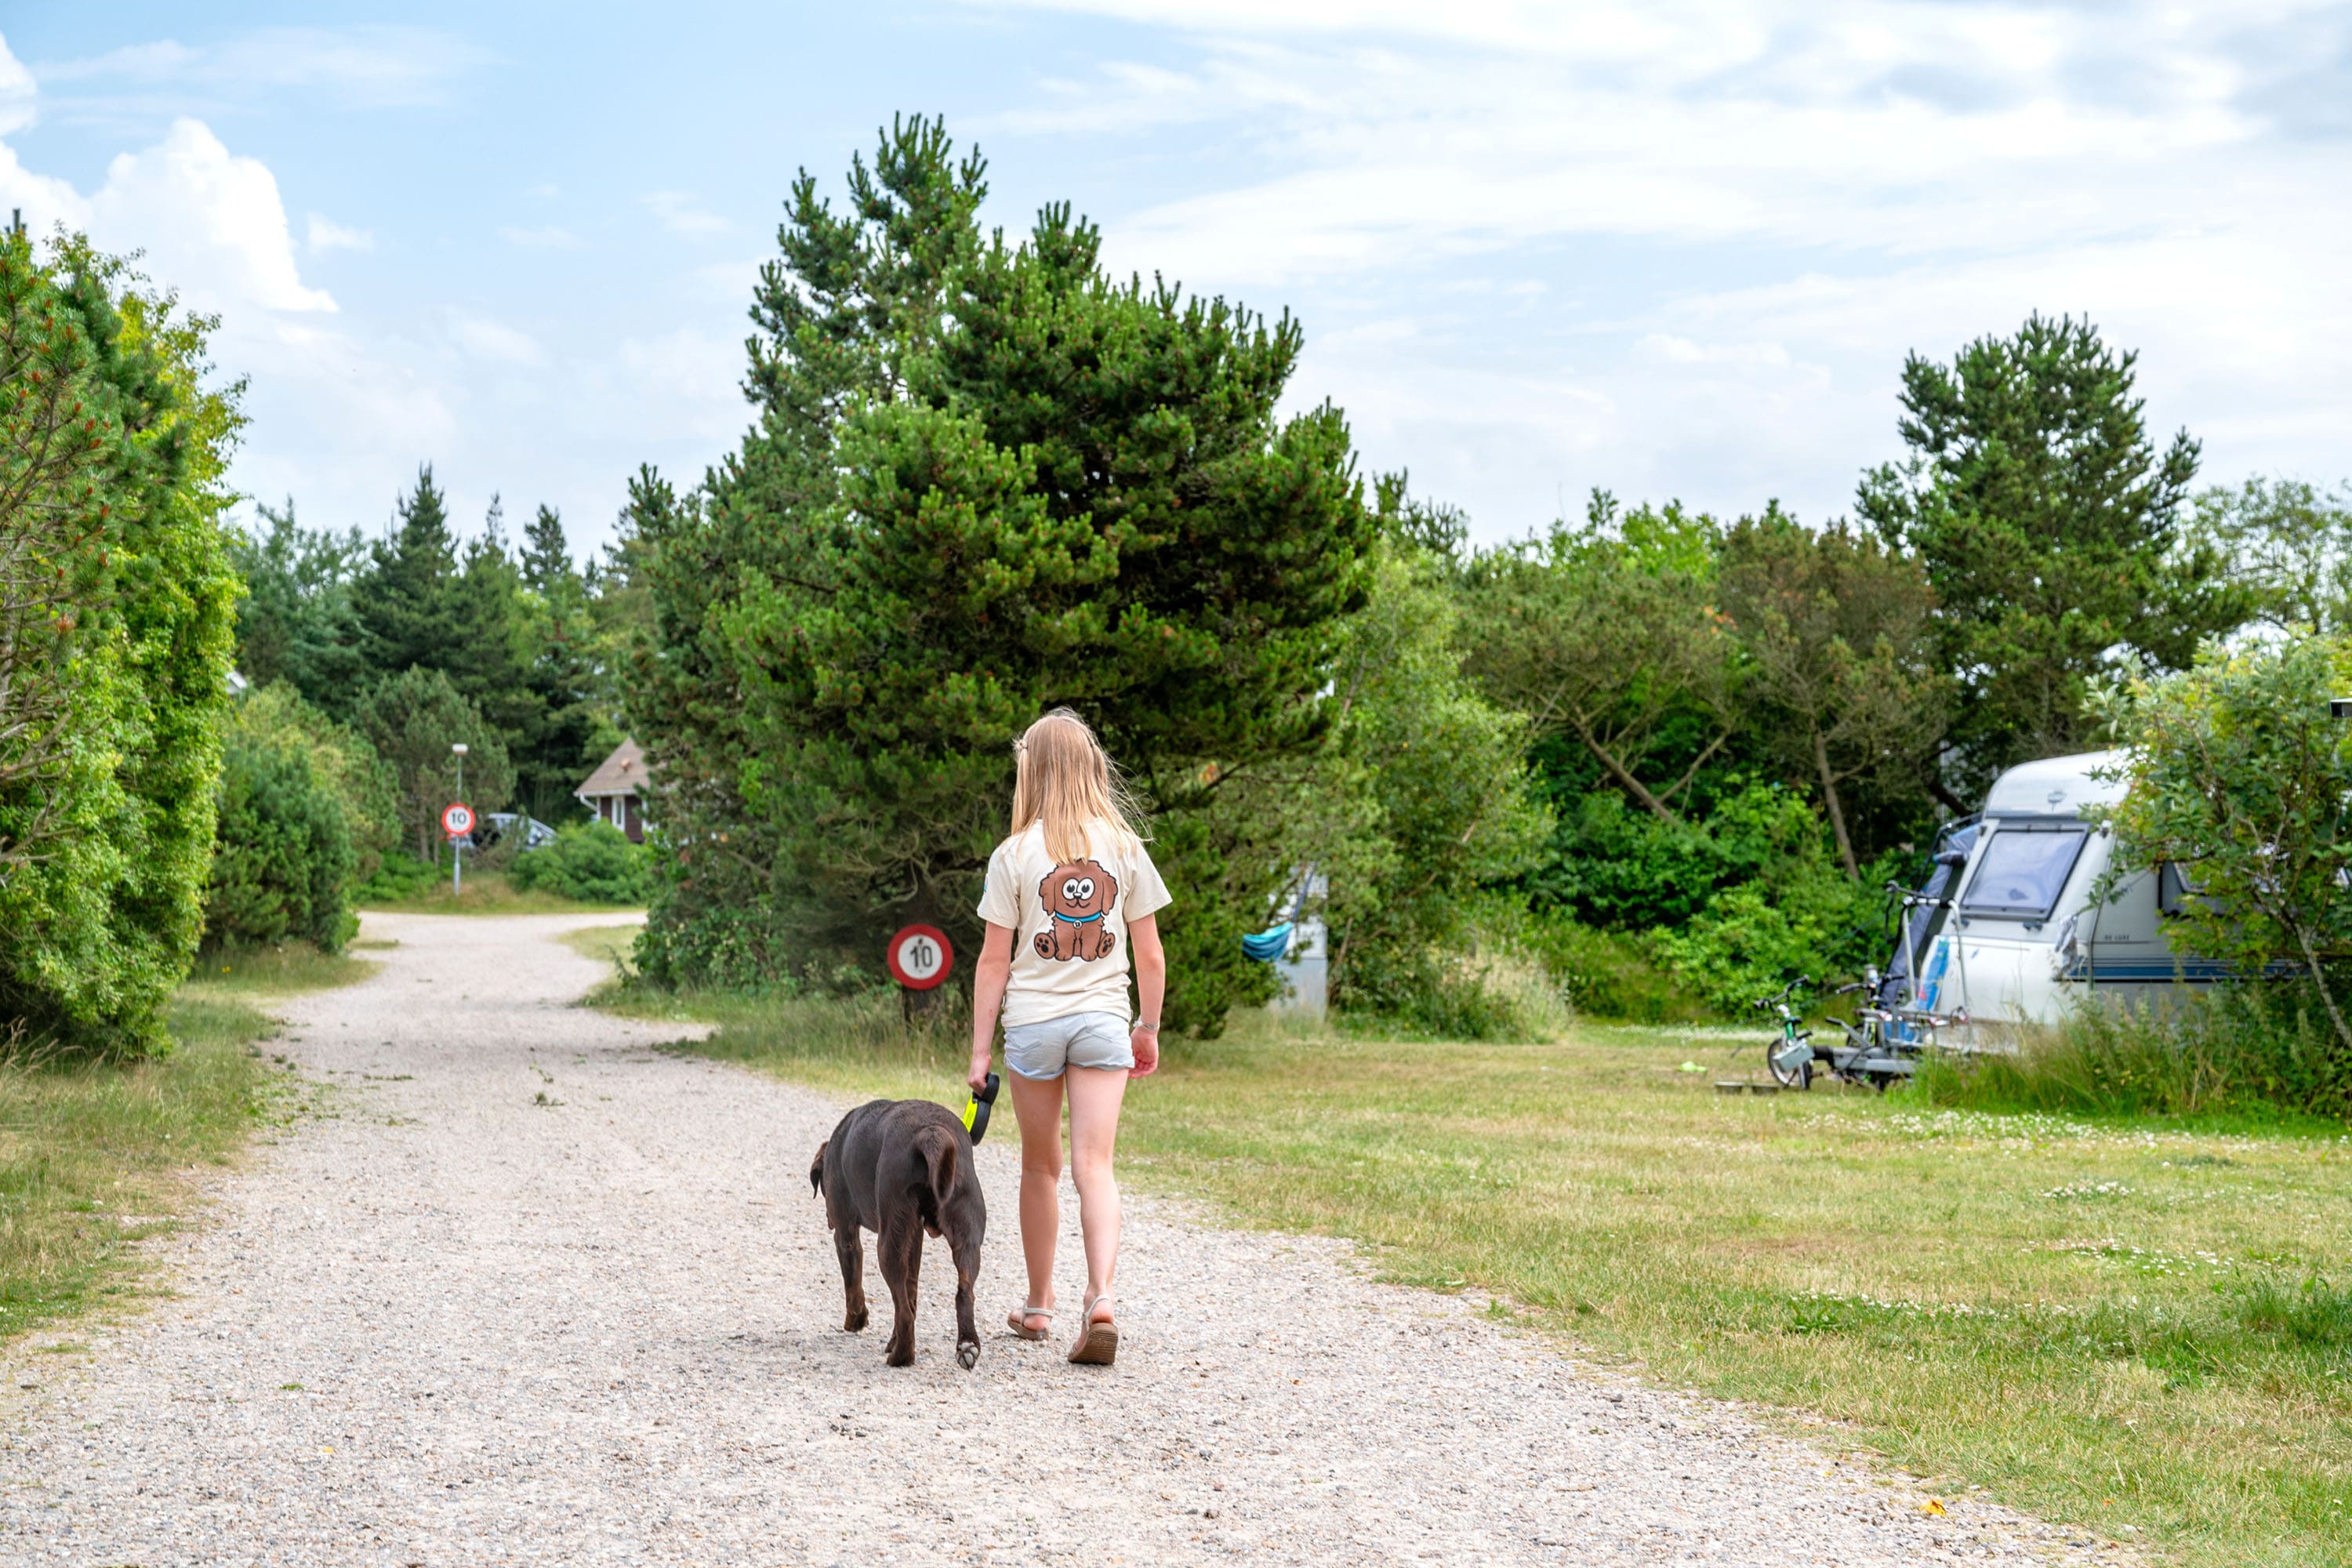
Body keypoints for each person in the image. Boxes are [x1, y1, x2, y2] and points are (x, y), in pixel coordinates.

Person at [967, 708, 1169, 1366]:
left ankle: (1038, 1306)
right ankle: (1102, 1297)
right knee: (1095, 1166)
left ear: (1034, 772)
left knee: (1040, 1167)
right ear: (1091, 770)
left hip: (1032, 1027)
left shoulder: (1012, 854)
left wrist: (977, 1053)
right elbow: (1152, 955)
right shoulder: (1124, 847)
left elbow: (993, 962)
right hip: (1104, 1022)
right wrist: (1147, 1027)